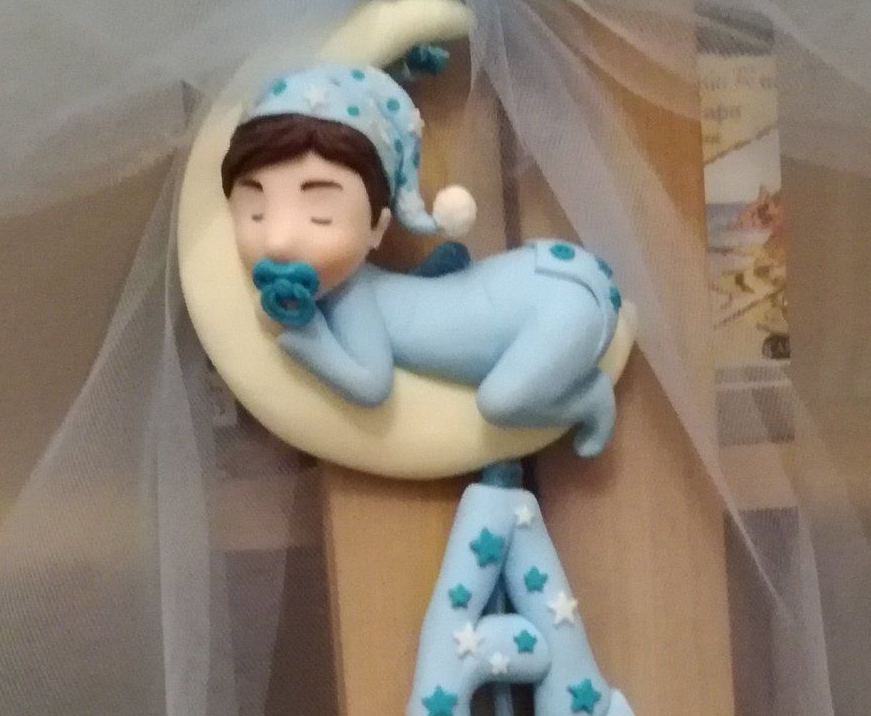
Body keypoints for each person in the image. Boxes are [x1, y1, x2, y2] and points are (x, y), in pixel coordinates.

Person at [221, 64, 621, 455]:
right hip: (537, 277)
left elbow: (370, 384)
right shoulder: (367, 284)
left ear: (378, 227)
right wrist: (436, 269)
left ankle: (589, 397)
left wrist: (305, 337)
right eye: (255, 214)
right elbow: (415, 301)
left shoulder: (350, 298)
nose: (278, 241)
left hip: (558, 307)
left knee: (500, 403)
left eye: (320, 217)